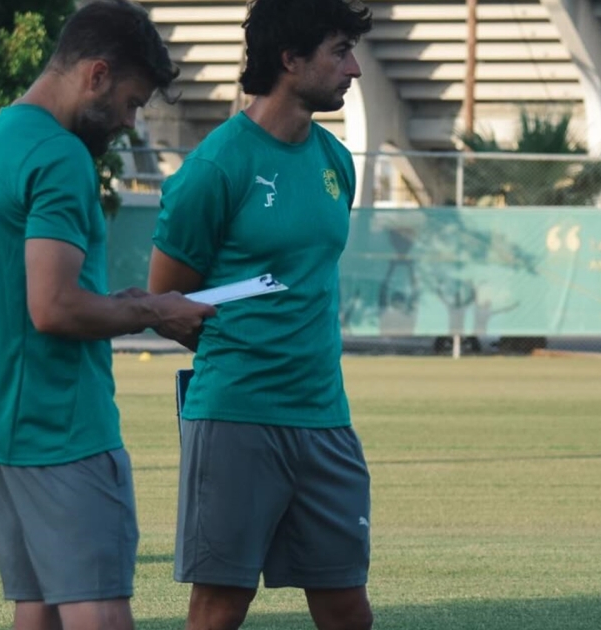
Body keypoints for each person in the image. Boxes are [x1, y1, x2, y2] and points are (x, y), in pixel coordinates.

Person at [0, 2, 215, 629]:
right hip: (68, 434)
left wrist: (121, 302)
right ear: (96, 74)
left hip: (7, 433)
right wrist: (155, 309)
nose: (129, 122)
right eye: (131, 102)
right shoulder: (61, 157)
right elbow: (52, 307)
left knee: (38, 608)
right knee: (98, 609)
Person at [146, 1, 374, 628]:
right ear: (290, 58)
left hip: (326, 418)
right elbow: (167, 303)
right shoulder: (216, 167)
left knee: (346, 606)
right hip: (235, 418)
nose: (354, 69)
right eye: (339, 52)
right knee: (219, 607)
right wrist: (245, 357)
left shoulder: (336, 162)